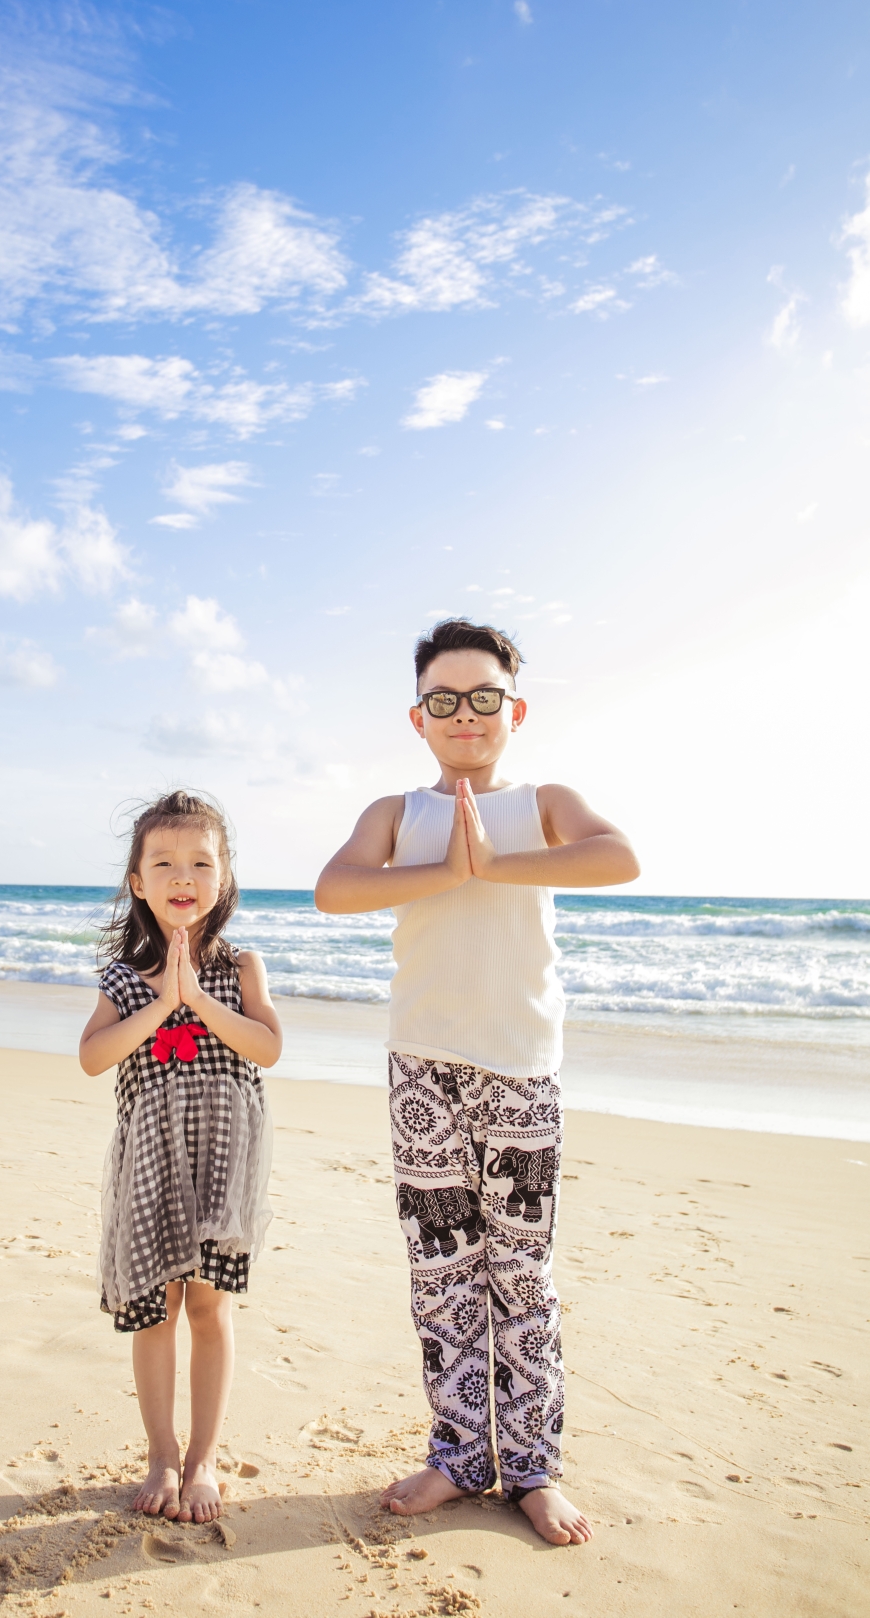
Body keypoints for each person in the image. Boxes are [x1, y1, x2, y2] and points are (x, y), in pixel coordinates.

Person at [315, 619, 639, 1547]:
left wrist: (492, 864)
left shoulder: (542, 802)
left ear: (514, 710)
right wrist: (440, 867)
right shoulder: (396, 812)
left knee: (520, 1275)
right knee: (442, 1277)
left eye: (484, 698)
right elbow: (335, 889)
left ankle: (534, 1467)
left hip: (521, 1070)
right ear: (419, 718)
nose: (466, 715)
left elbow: (619, 857)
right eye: (445, 701)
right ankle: (459, 1456)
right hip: (422, 1068)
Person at [80, 790, 282, 1525]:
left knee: (209, 1306)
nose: (182, 874)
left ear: (222, 879)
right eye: (162, 862)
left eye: (200, 861)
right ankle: (161, 1454)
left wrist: (198, 995)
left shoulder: (241, 967)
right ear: (138, 881)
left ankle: (203, 1458)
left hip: (222, 1164)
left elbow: (267, 1046)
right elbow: (93, 1058)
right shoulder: (123, 977)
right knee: (155, 1311)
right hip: (153, 1163)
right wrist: (164, 1000)